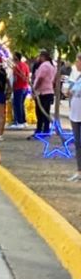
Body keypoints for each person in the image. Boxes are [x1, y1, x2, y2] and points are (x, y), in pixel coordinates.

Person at [31, 50, 56, 137]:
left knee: (41, 112)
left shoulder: (44, 66)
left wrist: (35, 88)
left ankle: (41, 129)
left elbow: (40, 78)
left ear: (43, 57)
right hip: (48, 91)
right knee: (45, 112)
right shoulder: (51, 66)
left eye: (40, 56)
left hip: (43, 92)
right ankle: (45, 129)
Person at [66, 53, 81, 182]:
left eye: (78, 61)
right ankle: (79, 170)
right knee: (78, 144)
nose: (76, 64)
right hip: (75, 115)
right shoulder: (78, 77)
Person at [11, 52, 30, 129]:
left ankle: (20, 122)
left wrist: (15, 72)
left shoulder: (18, 66)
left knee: (17, 105)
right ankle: (23, 121)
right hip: (25, 87)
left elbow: (21, 77)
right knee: (21, 105)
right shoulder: (25, 65)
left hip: (19, 87)